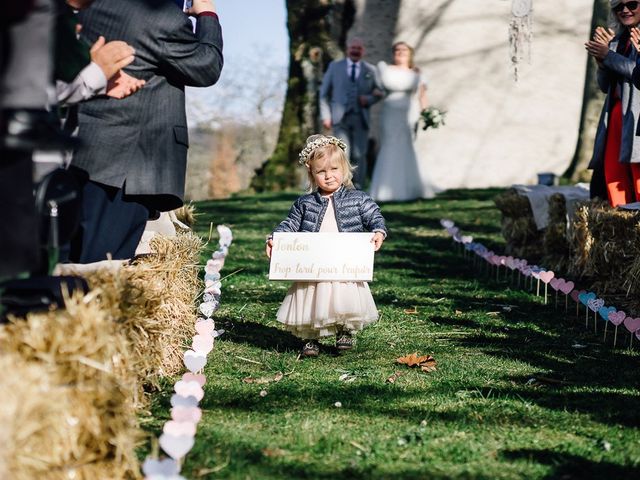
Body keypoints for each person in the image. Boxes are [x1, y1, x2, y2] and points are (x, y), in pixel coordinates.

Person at [68, 0, 223, 263]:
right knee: (103, 266)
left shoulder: (94, 6)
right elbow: (207, 67)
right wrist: (207, 13)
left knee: (70, 260)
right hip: (125, 166)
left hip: (82, 152)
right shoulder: (158, 16)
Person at [265, 134, 387, 357]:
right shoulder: (305, 203)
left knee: (343, 297)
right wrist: (276, 238)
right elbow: (290, 224)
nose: (329, 176)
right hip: (313, 263)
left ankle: (344, 330)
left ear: (344, 169)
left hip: (344, 263)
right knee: (312, 298)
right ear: (312, 174)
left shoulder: (358, 199)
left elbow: (374, 216)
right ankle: (310, 338)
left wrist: (379, 230)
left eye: (334, 169)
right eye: (321, 172)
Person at [586, 0, 640, 206]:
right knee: (614, 173)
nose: (625, 10)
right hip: (616, 114)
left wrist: (609, 56)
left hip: (636, 114)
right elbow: (604, 86)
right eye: (619, 7)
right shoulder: (618, 40)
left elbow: (636, 73)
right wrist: (601, 63)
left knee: (637, 172)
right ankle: (620, 219)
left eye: (632, 4)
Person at [369, 41, 435, 202]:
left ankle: (409, 188)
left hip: (408, 112)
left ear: (410, 53)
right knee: (390, 145)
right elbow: (377, 91)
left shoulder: (417, 72)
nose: (400, 52)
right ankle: (386, 190)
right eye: (397, 50)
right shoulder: (385, 70)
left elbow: (422, 96)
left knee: (407, 145)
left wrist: (428, 114)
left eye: (403, 50)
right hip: (390, 112)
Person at [319, 38, 383, 188]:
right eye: (352, 48)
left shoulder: (370, 70)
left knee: (359, 154)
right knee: (343, 152)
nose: (355, 51)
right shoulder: (334, 67)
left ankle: (358, 185)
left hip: (361, 118)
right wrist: (326, 116)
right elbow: (323, 94)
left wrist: (368, 99)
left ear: (363, 51)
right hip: (340, 118)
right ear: (348, 50)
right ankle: (343, 185)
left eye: (358, 49)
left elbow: (381, 91)